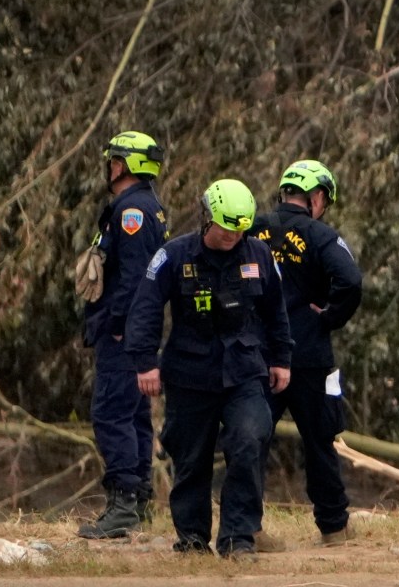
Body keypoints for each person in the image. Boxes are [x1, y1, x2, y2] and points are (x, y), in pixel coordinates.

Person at [123, 179, 292, 562]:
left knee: (250, 440)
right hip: (189, 373)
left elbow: (276, 312)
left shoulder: (260, 256)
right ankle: (193, 539)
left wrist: (282, 359)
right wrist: (145, 362)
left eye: (240, 228)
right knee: (190, 457)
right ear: (207, 218)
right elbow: (146, 308)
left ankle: (238, 538)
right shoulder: (173, 256)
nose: (233, 235)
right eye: (226, 227)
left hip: (244, 372)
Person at [252, 160, 365, 545]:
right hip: (310, 354)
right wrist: (331, 316)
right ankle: (334, 527)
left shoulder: (253, 228)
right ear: (317, 197)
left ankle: (247, 528)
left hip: (260, 355)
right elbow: (350, 280)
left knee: (253, 439)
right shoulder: (321, 235)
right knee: (320, 442)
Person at [78, 131, 169, 541]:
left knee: (111, 414)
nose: (108, 166)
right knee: (134, 415)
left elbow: (134, 279)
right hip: (136, 332)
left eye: (113, 159)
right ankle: (140, 501)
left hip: (124, 334)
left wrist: (118, 327)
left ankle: (123, 506)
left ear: (124, 164)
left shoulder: (132, 212)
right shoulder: (145, 206)